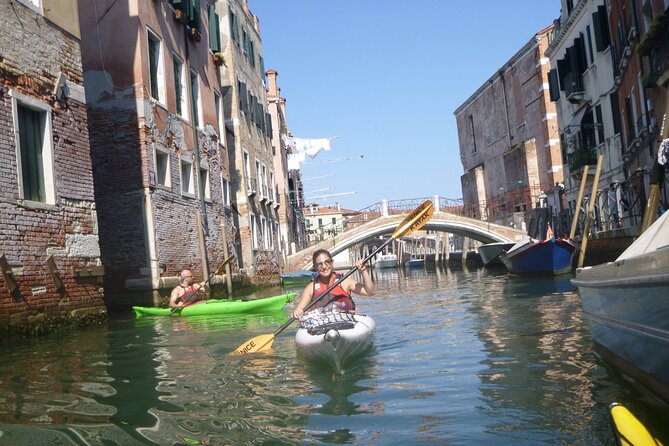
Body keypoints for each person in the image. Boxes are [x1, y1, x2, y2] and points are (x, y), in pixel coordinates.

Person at [292, 249, 374, 319]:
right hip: (321, 324)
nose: (324, 267)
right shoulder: (311, 288)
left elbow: (369, 292)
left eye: (327, 262)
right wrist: (297, 311)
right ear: (315, 267)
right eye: (319, 264)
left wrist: (363, 271)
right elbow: (300, 309)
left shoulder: (345, 282)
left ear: (332, 263)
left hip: (346, 322)